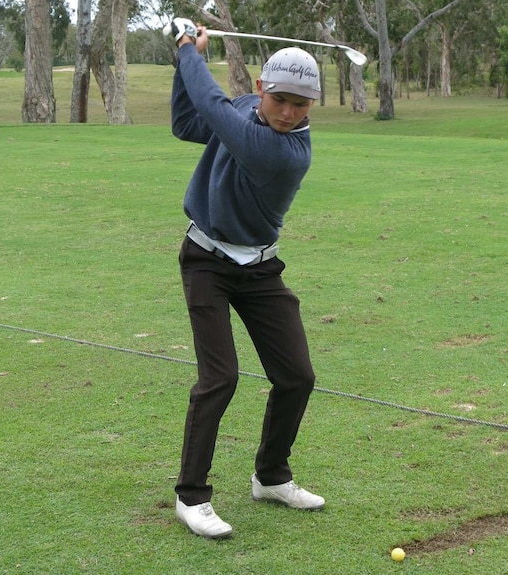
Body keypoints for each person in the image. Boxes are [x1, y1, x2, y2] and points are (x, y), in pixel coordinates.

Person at [167, 18, 325, 540]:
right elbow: (190, 123)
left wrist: (188, 45)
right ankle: (191, 497)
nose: (288, 112)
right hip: (207, 260)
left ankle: (271, 476)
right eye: (280, 99)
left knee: (297, 375)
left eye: (301, 105)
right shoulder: (242, 112)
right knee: (221, 377)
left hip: (259, 268)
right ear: (261, 88)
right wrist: (181, 64)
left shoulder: (286, 154)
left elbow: (212, 107)